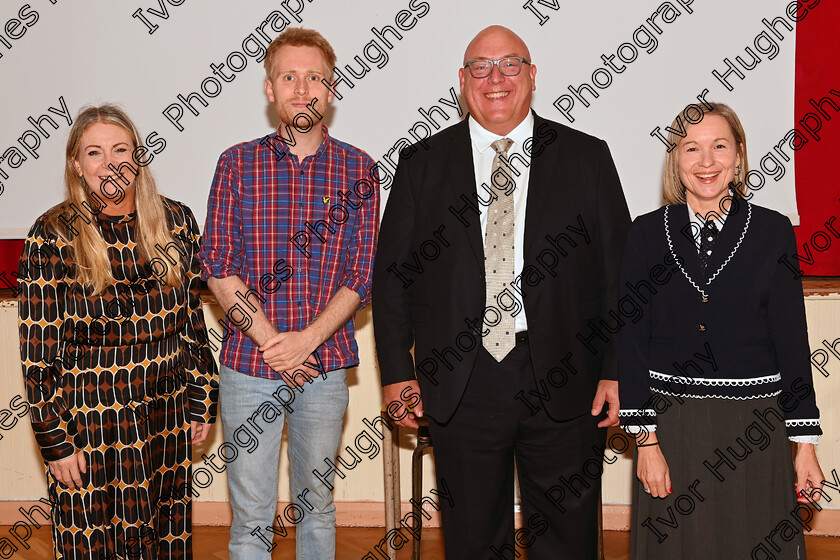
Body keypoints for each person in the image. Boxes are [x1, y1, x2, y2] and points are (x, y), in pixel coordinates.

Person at [373, 25, 631, 559]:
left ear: (532, 76)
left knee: (566, 539)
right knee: (471, 539)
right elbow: (393, 277)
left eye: (510, 64)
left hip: (566, 379)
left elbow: (619, 277)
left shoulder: (587, 157)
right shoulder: (422, 163)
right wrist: (398, 375)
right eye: (481, 68)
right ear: (463, 83)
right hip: (461, 382)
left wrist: (615, 369)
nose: (496, 78)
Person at [199, 27, 379, 560]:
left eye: (315, 78)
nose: (302, 89)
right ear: (270, 89)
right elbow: (218, 267)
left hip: (323, 371)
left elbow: (360, 275)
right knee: (250, 518)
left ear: (331, 89)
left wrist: (309, 342)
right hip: (247, 366)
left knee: (317, 508)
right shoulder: (236, 164)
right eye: (289, 77)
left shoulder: (359, 169)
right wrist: (277, 342)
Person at [617, 102, 824, 559]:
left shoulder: (773, 231)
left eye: (719, 146)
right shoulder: (646, 234)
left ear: (739, 156)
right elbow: (630, 344)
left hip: (756, 428)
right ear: (675, 159)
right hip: (673, 427)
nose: (706, 162)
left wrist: (804, 445)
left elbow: (792, 340)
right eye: (691, 148)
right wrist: (646, 442)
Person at [17, 104, 218, 559]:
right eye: (95, 152)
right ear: (76, 164)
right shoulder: (52, 236)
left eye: (121, 149)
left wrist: (202, 399)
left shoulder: (177, 222)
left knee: (164, 538)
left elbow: (191, 323)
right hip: (88, 421)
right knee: (92, 543)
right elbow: (38, 356)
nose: (110, 164)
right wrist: (55, 442)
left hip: (165, 414)